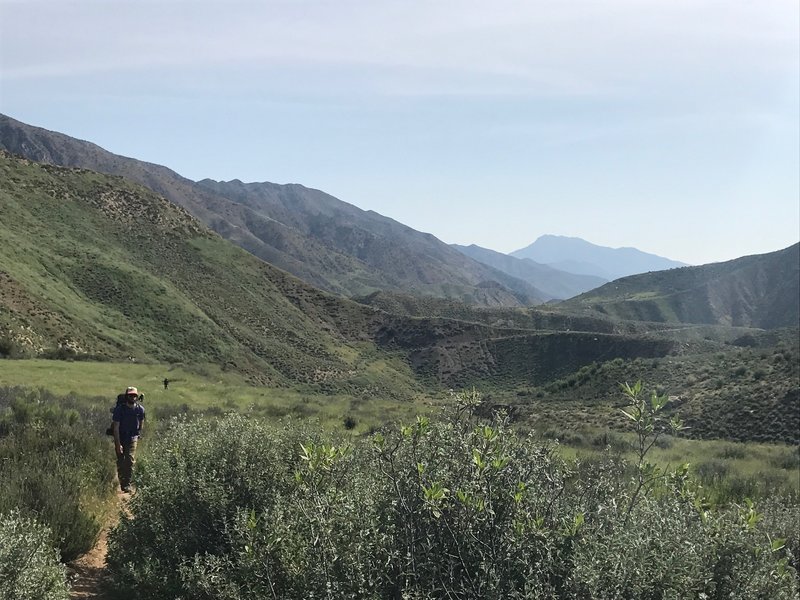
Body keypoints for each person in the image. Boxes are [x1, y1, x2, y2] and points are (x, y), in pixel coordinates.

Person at [113, 386, 145, 493]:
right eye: (130, 395)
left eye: (134, 395)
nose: (133, 397)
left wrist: (138, 433)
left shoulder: (140, 410)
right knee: (121, 461)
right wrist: (118, 444)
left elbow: (141, 423)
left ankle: (127, 484)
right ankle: (122, 482)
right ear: (127, 396)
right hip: (121, 437)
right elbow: (116, 427)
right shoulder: (119, 410)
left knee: (130, 460)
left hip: (133, 437)